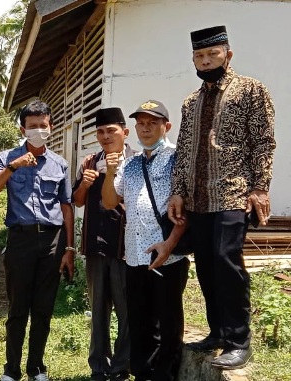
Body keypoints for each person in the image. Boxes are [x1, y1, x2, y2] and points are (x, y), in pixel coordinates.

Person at [169, 25, 276, 370]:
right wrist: (178, 193)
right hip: (198, 199)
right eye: (199, 56)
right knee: (206, 266)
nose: (205, 60)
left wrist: (260, 188)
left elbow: (263, 142)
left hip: (233, 192)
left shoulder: (250, 90)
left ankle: (238, 339)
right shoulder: (191, 101)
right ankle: (217, 332)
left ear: (227, 54)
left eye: (211, 54)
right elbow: (183, 151)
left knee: (227, 262)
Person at [0, 100, 75, 381]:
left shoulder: (59, 164)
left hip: (52, 241)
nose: (38, 130)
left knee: (43, 308)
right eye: (32, 126)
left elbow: (66, 206)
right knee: (17, 308)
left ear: (51, 126)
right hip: (20, 241)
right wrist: (13, 166)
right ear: (23, 128)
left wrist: (69, 248)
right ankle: (11, 369)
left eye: (43, 126)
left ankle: (36, 366)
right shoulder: (6, 157)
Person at [101, 100, 189, 381]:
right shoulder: (131, 163)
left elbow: (190, 207)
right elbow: (109, 201)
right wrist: (112, 170)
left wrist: (170, 244)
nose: (146, 128)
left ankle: (164, 375)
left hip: (168, 255)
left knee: (167, 322)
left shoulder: (178, 158)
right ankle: (142, 373)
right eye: (141, 123)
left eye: (153, 122)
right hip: (136, 255)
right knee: (139, 321)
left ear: (167, 126)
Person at [72, 108, 134, 381]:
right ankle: (99, 365)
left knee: (126, 310)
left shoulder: (136, 162)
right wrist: (85, 185)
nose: (106, 136)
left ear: (125, 132)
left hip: (126, 248)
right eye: (100, 132)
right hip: (95, 245)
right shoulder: (89, 162)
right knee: (98, 311)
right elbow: (77, 201)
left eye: (111, 131)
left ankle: (121, 366)